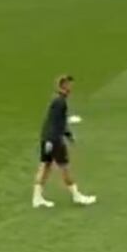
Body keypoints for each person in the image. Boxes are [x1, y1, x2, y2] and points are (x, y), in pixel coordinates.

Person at [32, 75, 97, 209]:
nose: (71, 87)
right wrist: (63, 137)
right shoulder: (60, 102)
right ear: (63, 86)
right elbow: (55, 123)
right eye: (69, 84)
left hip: (47, 138)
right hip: (54, 139)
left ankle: (37, 198)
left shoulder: (57, 100)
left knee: (45, 166)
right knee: (64, 167)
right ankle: (77, 196)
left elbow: (57, 121)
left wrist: (65, 135)